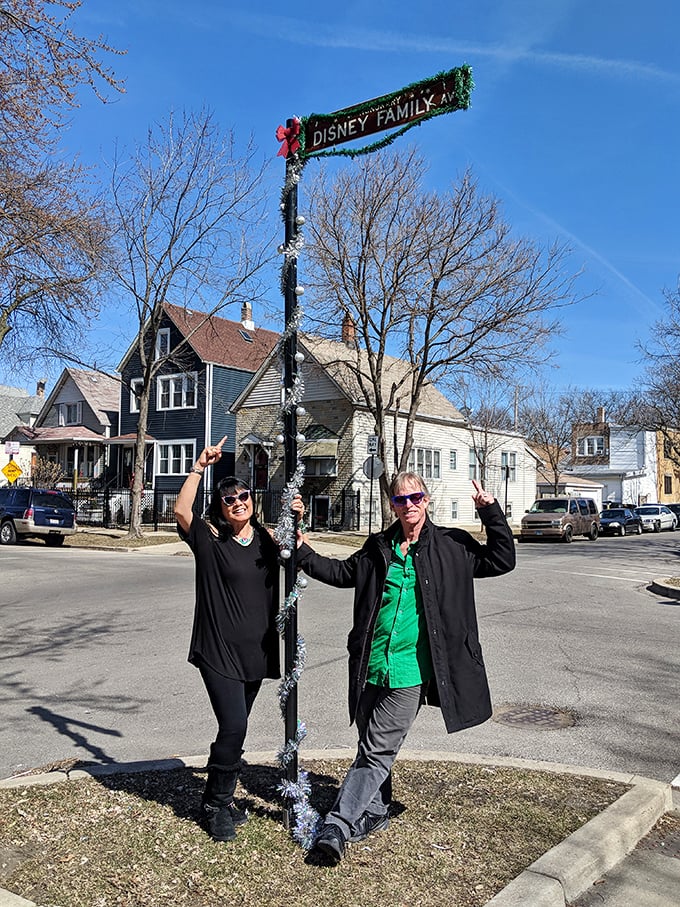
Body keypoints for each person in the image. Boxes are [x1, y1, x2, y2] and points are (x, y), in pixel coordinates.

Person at [296, 472, 516, 863]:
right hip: (370, 662)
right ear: (392, 505)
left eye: (415, 498)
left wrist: (490, 513)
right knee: (371, 743)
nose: (408, 505)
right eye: (400, 500)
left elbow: (501, 560)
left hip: (411, 670)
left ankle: (337, 826)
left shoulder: (452, 545)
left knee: (377, 750)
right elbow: (344, 574)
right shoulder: (380, 546)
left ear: (427, 500)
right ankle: (377, 810)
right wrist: (304, 553)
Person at [175, 436, 296, 843]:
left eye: (243, 496)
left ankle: (221, 799)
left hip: (256, 653)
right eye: (229, 499)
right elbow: (180, 509)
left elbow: (297, 551)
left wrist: (296, 519)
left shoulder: (265, 539)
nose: (238, 502)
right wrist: (199, 467)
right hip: (217, 650)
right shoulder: (210, 540)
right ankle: (215, 802)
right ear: (221, 507)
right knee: (234, 725)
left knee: (237, 729)